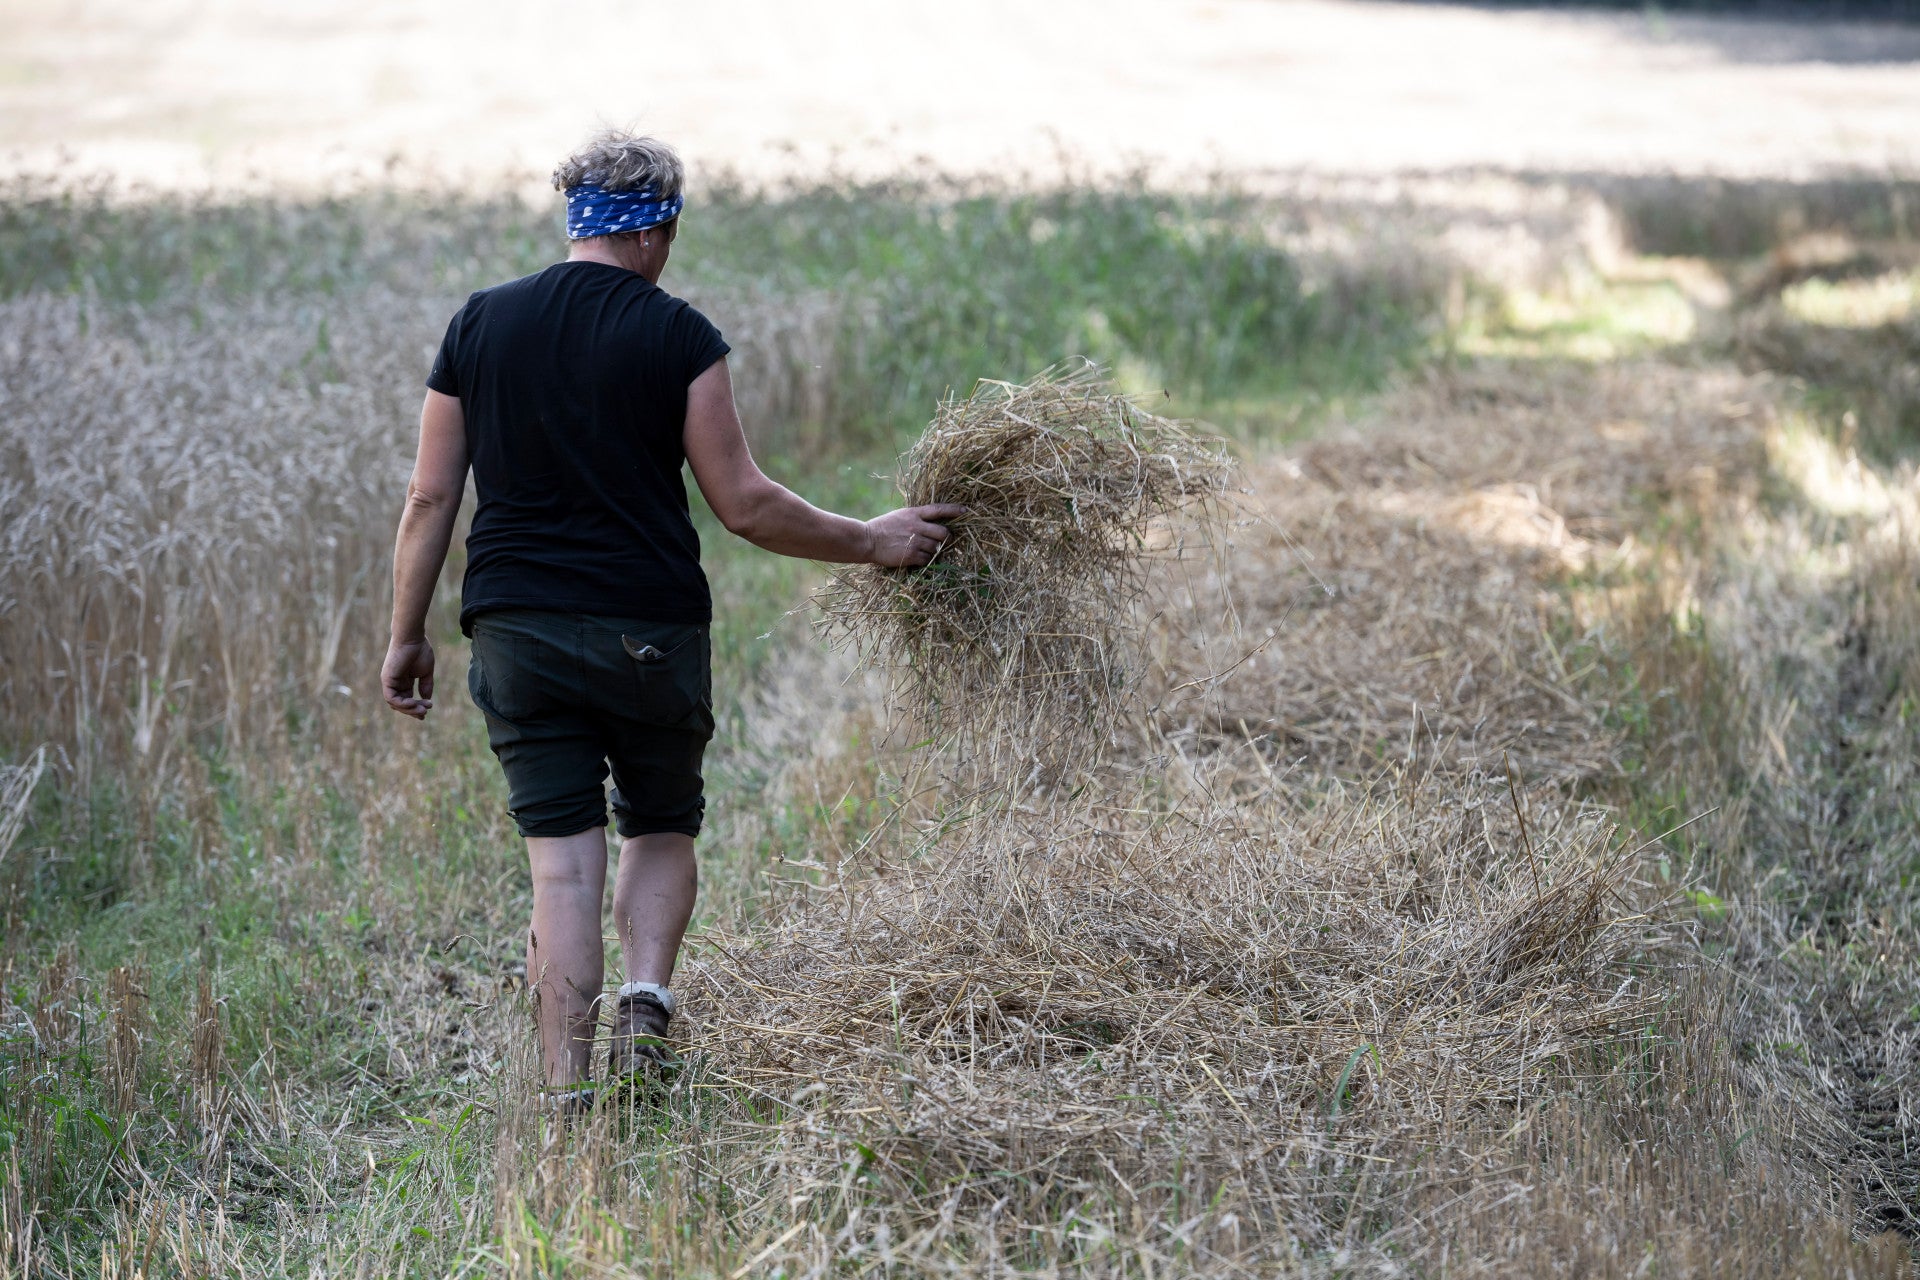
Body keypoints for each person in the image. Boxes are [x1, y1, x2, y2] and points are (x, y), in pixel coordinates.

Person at [380, 129, 962, 1108]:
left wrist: (406, 634)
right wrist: (873, 539)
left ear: (578, 219)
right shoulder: (678, 334)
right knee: (659, 820)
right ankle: (645, 1002)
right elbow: (745, 502)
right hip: (649, 630)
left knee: (560, 873)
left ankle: (567, 1098)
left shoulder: (478, 324)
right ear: (658, 227)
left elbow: (429, 501)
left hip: (516, 630)